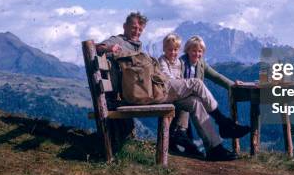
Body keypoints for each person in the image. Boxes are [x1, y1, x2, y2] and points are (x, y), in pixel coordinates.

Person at [96, 12, 249, 161]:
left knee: (195, 102)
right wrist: (109, 48)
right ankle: (224, 123)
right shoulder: (118, 40)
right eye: (133, 27)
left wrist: (232, 84)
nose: (137, 31)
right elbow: (97, 47)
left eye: (140, 29)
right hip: (147, 94)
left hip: (151, 92)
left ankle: (215, 148)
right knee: (196, 83)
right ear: (125, 26)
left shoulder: (137, 46)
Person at [158, 33, 202, 157]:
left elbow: (180, 78)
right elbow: (168, 78)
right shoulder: (162, 61)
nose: (173, 52)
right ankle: (180, 135)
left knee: (189, 102)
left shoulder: (178, 62)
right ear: (164, 49)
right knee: (187, 102)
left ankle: (180, 134)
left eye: (175, 49)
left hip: (176, 93)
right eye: (170, 49)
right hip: (166, 94)